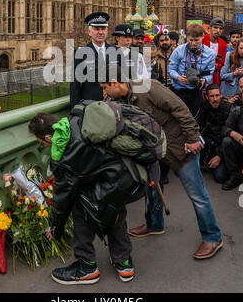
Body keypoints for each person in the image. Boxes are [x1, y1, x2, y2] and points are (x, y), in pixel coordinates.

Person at [100, 67, 223, 260]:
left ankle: (213, 237)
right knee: (153, 187)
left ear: (115, 82)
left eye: (105, 88)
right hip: (158, 150)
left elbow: (179, 108)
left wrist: (192, 138)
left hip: (180, 146)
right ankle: (154, 224)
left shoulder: (148, 87)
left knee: (197, 194)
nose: (104, 93)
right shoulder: (120, 100)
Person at [28, 103, 159, 284]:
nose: (42, 145)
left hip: (117, 181)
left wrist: (56, 228)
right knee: (113, 210)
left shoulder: (63, 156)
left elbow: (63, 198)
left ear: (49, 137)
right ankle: (124, 263)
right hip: (129, 175)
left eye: (41, 142)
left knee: (80, 206)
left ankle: (87, 267)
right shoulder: (74, 120)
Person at [69, 12, 118, 108]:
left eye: (103, 28)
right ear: (89, 32)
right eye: (96, 29)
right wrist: (75, 111)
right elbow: (75, 85)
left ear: (107, 31)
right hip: (90, 107)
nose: (100, 32)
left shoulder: (116, 51)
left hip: (113, 106)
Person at [168, 23, 216, 119]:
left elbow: (210, 74)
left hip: (195, 92)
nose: (193, 43)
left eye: (196, 40)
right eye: (191, 40)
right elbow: (171, 69)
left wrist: (204, 80)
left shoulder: (210, 54)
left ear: (202, 36)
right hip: (178, 91)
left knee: (194, 120)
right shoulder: (179, 50)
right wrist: (179, 77)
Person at [198, 84, 231, 183]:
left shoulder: (228, 109)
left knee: (219, 177)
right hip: (207, 142)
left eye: (217, 95)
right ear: (207, 97)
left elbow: (229, 137)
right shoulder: (204, 106)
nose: (215, 99)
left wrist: (219, 156)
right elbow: (198, 126)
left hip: (222, 145)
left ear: (221, 95)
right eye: (212, 96)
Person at [221, 88, 243, 190]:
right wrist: (232, 133)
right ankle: (235, 175)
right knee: (227, 141)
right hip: (242, 150)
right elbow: (224, 129)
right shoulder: (237, 111)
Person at [202, 18, 227, 85]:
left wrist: (216, 65)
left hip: (214, 76)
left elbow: (221, 63)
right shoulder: (202, 39)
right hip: (201, 74)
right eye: (215, 27)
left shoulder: (223, 44)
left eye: (220, 28)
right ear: (210, 28)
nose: (218, 30)